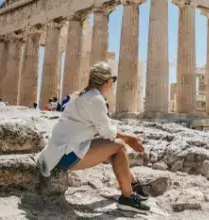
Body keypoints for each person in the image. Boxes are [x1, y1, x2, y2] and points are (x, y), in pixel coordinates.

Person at [36, 61, 150, 213]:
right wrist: (129, 138)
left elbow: (100, 130)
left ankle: (134, 185)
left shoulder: (81, 95)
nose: (113, 84)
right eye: (113, 80)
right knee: (120, 147)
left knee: (114, 147)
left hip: (58, 151)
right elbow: (107, 132)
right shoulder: (95, 100)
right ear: (107, 81)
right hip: (65, 156)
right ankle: (127, 198)